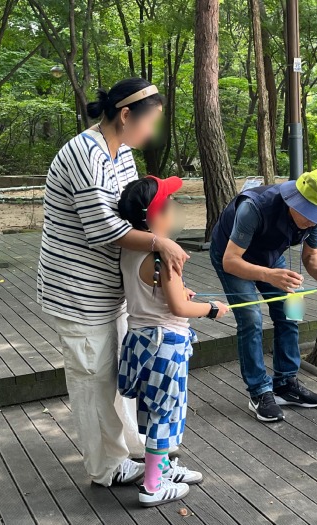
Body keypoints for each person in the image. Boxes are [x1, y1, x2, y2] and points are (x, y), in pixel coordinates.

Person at [37, 78, 189, 487]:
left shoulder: (120, 152)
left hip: (112, 288)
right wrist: (161, 243)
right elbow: (104, 228)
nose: (152, 132)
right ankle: (106, 466)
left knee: (115, 375)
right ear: (125, 115)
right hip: (79, 290)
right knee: (92, 379)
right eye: (150, 123)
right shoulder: (85, 154)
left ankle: (134, 448)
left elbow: (131, 209)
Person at [117, 176, 229, 507]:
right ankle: (152, 484)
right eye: (170, 206)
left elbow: (156, 292)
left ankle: (162, 467)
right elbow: (179, 308)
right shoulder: (164, 256)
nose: (175, 211)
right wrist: (210, 308)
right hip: (165, 343)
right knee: (164, 412)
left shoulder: (132, 247)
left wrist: (179, 289)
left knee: (154, 406)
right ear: (155, 215)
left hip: (140, 339)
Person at [209, 169, 317, 422]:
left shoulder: (314, 219)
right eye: (310, 214)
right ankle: (259, 391)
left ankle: (285, 384)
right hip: (233, 257)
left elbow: (311, 256)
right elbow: (230, 261)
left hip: (270, 255)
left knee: (291, 310)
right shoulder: (254, 208)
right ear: (296, 200)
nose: (314, 221)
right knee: (251, 319)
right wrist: (269, 275)